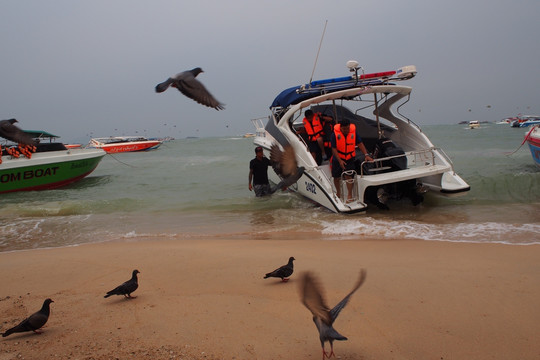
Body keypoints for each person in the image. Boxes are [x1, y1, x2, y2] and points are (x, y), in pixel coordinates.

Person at [331, 118, 373, 202]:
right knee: (336, 177)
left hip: (349, 157)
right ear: (341, 128)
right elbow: (334, 149)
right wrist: (340, 161)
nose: (346, 130)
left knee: (348, 175)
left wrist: (366, 155)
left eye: (347, 128)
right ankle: (338, 193)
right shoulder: (334, 134)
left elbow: (360, 144)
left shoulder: (353, 133)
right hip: (338, 158)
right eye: (344, 129)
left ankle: (349, 195)